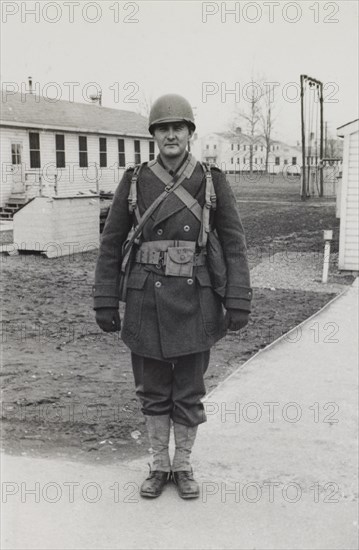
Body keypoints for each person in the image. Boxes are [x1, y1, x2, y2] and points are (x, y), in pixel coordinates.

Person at [93, 93, 252, 499]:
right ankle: (157, 464)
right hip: (146, 300)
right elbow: (111, 244)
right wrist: (106, 300)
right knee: (151, 389)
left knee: (188, 388)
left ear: (190, 133)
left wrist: (238, 298)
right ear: (153, 135)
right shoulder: (133, 180)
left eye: (177, 127)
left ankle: (182, 465)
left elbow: (234, 243)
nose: (170, 135)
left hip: (196, 300)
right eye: (163, 128)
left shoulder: (212, 179)